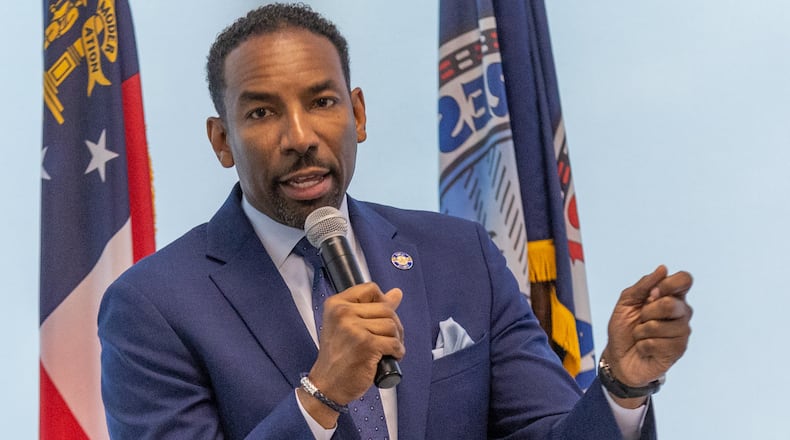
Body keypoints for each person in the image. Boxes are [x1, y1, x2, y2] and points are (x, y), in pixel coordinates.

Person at [98, 3, 693, 439]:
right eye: (261, 112)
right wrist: (321, 395)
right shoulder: (151, 306)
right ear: (221, 140)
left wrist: (623, 387)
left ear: (357, 113)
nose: (300, 137)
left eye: (322, 102)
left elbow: (544, 431)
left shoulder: (461, 255)